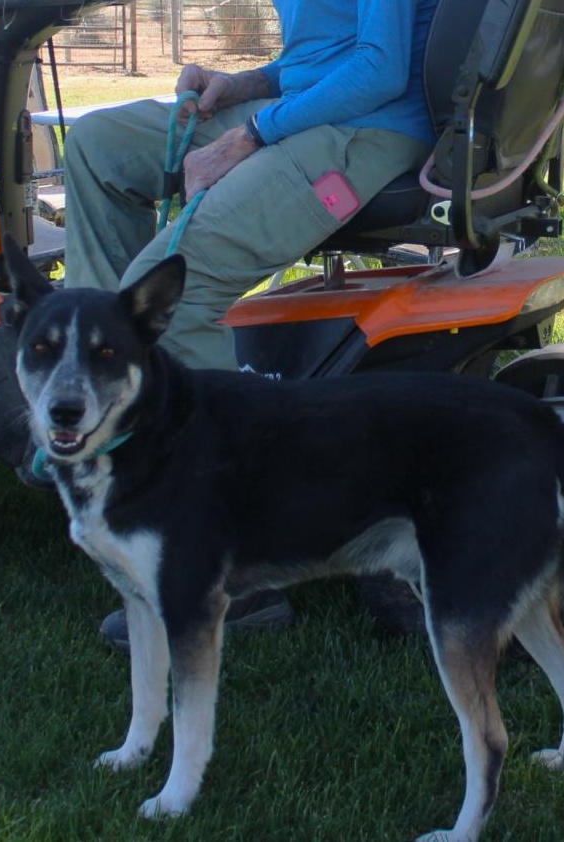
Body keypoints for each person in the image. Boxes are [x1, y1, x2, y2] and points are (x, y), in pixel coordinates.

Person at [62, 0, 439, 647]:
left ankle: (224, 562)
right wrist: (243, 87)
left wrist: (249, 135)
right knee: (97, 148)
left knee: (169, 295)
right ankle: (101, 411)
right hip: (312, 111)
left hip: (370, 127)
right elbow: (324, 52)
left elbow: (379, 69)